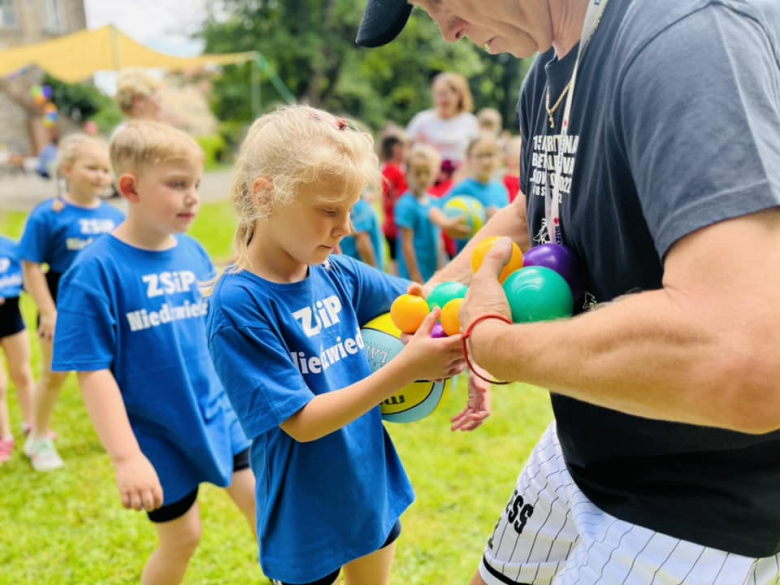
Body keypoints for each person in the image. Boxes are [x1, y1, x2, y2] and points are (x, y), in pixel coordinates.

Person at [356, 1, 780, 584]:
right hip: (591, 437)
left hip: (700, 494)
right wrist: (434, 302)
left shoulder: (688, 37)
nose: (447, 31)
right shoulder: (549, 69)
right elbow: (534, 207)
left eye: (434, 4)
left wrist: (498, 348)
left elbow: (746, 362)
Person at [205, 105, 484, 585]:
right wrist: (407, 368)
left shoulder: (334, 270)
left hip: (368, 484)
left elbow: (425, 302)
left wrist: (470, 352)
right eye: (330, 211)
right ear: (266, 195)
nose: (347, 228)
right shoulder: (239, 304)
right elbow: (302, 423)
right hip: (305, 515)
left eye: (351, 209)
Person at [51, 121, 256, 585]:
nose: (193, 197)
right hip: (157, 437)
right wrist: (126, 458)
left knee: (270, 516)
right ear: (130, 187)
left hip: (218, 417)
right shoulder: (94, 270)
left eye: (197, 185)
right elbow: (92, 371)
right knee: (183, 537)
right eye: (177, 184)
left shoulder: (193, 252)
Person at [19, 134, 124, 471]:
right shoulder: (48, 214)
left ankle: (121, 435)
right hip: (63, 303)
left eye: (106, 170)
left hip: (105, 305)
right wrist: (48, 312)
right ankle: (38, 437)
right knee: (53, 375)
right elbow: (31, 266)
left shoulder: (114, 215)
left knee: (114, 372)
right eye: (91, 167)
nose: (100, 176)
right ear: (66, 169)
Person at [396, 145, 469, 282]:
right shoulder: (406, 204)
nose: (423, 178)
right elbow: (407, 245)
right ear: (407, 174)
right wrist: (414, 275)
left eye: (427, 173)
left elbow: (439, 238)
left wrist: (441, 266)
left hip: (432, 266)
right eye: (417, 173)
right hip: (414, 270)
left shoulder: (434, 201)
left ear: (435, 174)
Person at [0, 236, 36, 463]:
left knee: (22, 373)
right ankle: (4, 437)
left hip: (12, 321)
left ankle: (32, 426)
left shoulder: (12, 247)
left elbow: (30, 280)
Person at [445, 136, 510, 254]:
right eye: (480, 156)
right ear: (469, 159)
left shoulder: (501, 189)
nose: (486, 161)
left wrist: (499, 217)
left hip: (496, 255)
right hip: (466, 257)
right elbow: (441, 211)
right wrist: (452, 225)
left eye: (490, 155)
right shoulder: (462, 188)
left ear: (499, 159)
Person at [406, 72, 479, 174]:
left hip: (459, 178)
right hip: (427, 178)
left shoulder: (470, 122)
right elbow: (405, 150)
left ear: (458, 95)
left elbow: (476, 154)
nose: (442, 99)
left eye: (446, 94)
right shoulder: (422, 120)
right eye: (438, 94)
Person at [379, 133, 408, 273]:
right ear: (396, 149)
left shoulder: (386, 170)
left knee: (393, 261)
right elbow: (399, 198)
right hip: (397, 225)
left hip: (390, 224)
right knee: (398, 262)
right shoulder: (395, 172)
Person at [340, 195, 385, 271]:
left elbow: (363, 243)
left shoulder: (356, 207)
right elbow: (363, 243)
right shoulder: (361, 207)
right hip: (358, 271)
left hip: (355, 271)